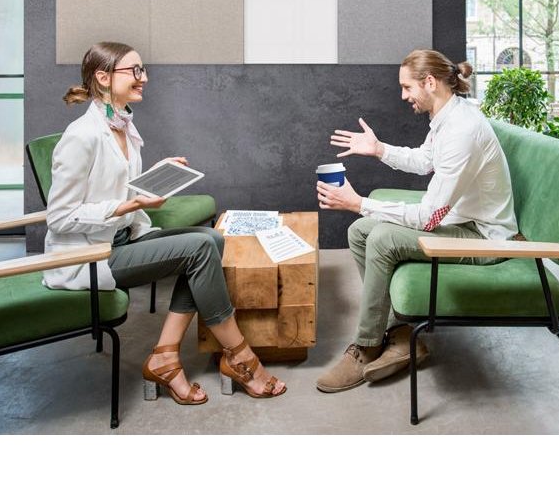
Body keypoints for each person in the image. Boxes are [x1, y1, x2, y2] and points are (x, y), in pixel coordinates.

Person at [44, 41, 285, 404]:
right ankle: (239, 356)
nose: (144, 77)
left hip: (124, 238)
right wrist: (130, 204)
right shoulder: (81, 136)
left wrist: (153, 177)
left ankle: (165, 357)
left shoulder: (123, 127)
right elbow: (60, 217)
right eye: (134, 71)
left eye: (143, 70)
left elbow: (114, 187)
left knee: (211, 239)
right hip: (92, 257)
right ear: (103, 77)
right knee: (200, 249)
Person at [315, 49, 518, 393]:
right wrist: (379, 149)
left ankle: (367, 346)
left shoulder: (462, 130)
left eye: (407, 87)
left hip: (484, 237)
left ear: (430, 82)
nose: (403, 95)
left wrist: (359, 202)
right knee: (360, 231)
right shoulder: (447, 116)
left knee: (382, 239)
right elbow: (425, 160)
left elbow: (428, 218)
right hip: (462, 221)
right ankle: (400, 334)